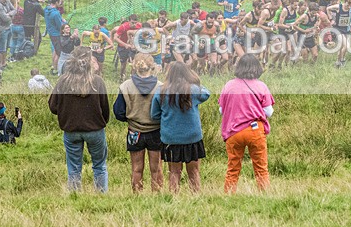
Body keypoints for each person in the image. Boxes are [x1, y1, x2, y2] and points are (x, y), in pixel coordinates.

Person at [48, 47, 110, 193]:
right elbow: (105, 107)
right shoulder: (97, 82)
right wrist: (102, 122)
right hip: (95, 129)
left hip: (71, 129)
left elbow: (52, 106)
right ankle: (101, 195)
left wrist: (66, 114)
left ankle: (74, 195)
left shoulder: (63, 81)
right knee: (100, 166)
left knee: (74, 168)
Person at [150, 62, 210, 194]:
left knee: (174, 172)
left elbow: (154, 115)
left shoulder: (161, 91)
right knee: (194, 171)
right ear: (186, 74)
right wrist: (193, 78)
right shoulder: (193, 90)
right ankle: (196, 197)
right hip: (192, 137)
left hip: (170, 138)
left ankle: (173, 198)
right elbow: (207, 93)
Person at [219, 54, 275, 193]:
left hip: (233, 132)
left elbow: (221, 110)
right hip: (255, 130)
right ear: (257, 68)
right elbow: (269, 111)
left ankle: (229, 195)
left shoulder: (229, 85)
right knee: (261, 166)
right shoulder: (261, 86)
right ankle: (264, 194)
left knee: (233, 167)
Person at [114, 54, 164, 193]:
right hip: (156, 131)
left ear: (134, 66)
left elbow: (118, 112)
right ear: (152, 66)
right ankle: (157, 196)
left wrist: (130, 118)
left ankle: (137, 195)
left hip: (134, 131)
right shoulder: (160, 87)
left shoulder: (126, 86)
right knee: (157, 168)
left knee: (136, 168)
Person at [44, 0, 64, 74]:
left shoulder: (46, 9)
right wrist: (64, 24)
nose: (60, 4)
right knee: (59, 53)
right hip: (57, 34)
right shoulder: (56, 13)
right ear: (56, 3)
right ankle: (56, 70)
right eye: (59, 2)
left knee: (55, 50)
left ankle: (53, 66)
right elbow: (60, 26)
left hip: (51, 32)